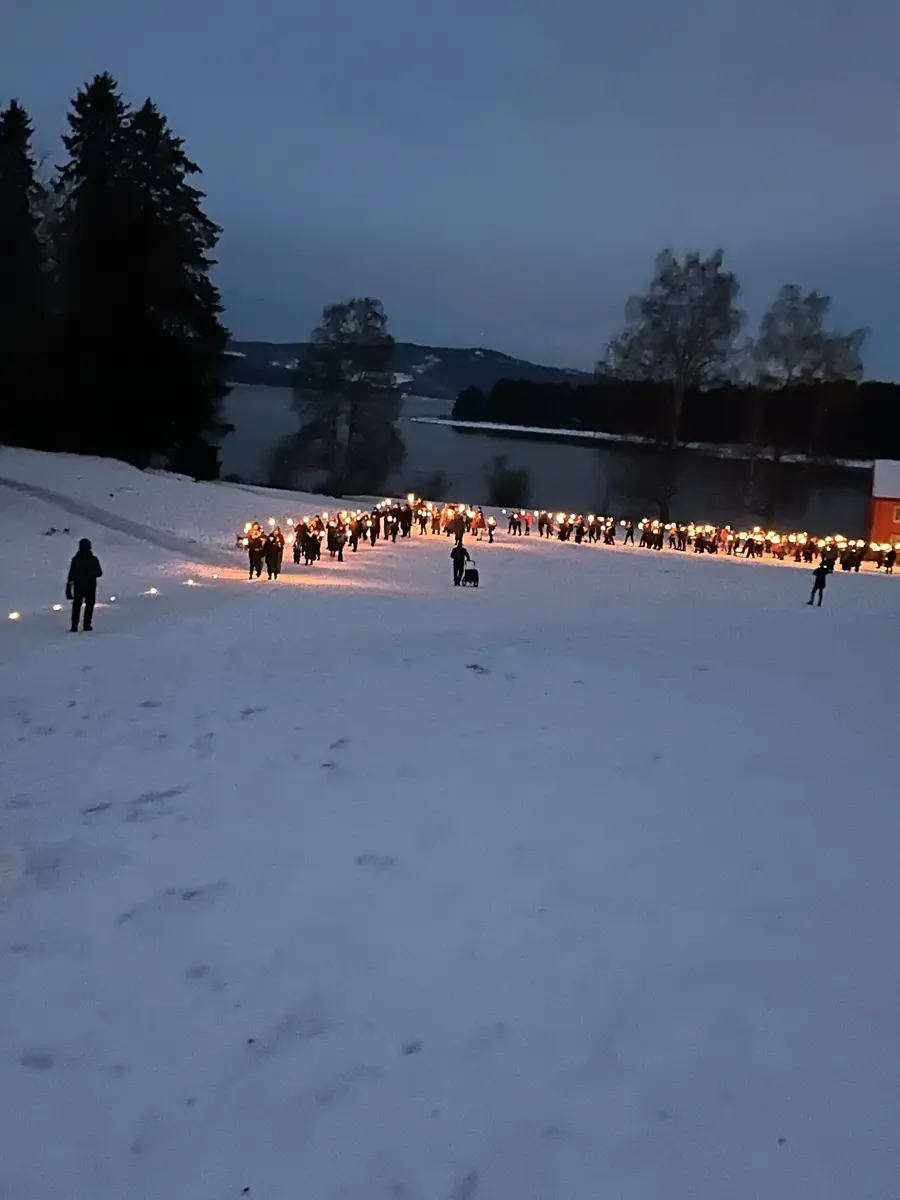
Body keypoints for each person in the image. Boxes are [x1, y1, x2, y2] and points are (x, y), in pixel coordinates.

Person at [66, 538, 103, 632]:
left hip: (79, 586)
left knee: (77, 606)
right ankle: (87, 624)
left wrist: (69, 587)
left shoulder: (76, 559)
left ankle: (74, 625)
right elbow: (99, 573)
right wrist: (91, 573)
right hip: (90, 586)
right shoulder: (93, 559)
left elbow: (71, 574)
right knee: (89, 606)